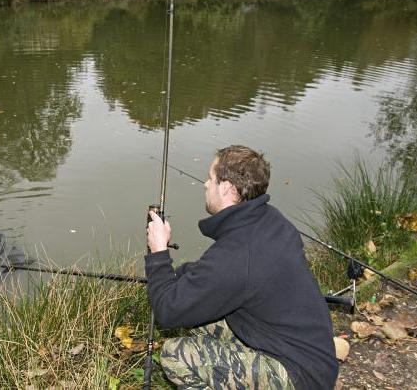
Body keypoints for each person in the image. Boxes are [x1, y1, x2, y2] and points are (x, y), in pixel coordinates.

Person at [145, 145, 338, 389]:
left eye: (210, 178)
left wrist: (159, 253)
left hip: (299, 376)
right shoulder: (270, 219)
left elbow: (168, 311)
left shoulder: (237, 254)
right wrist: (177, 277)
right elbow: (219, 275)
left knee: (176, 355)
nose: (205, 184)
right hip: (313, 356)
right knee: (196, 316)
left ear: (225, 188)